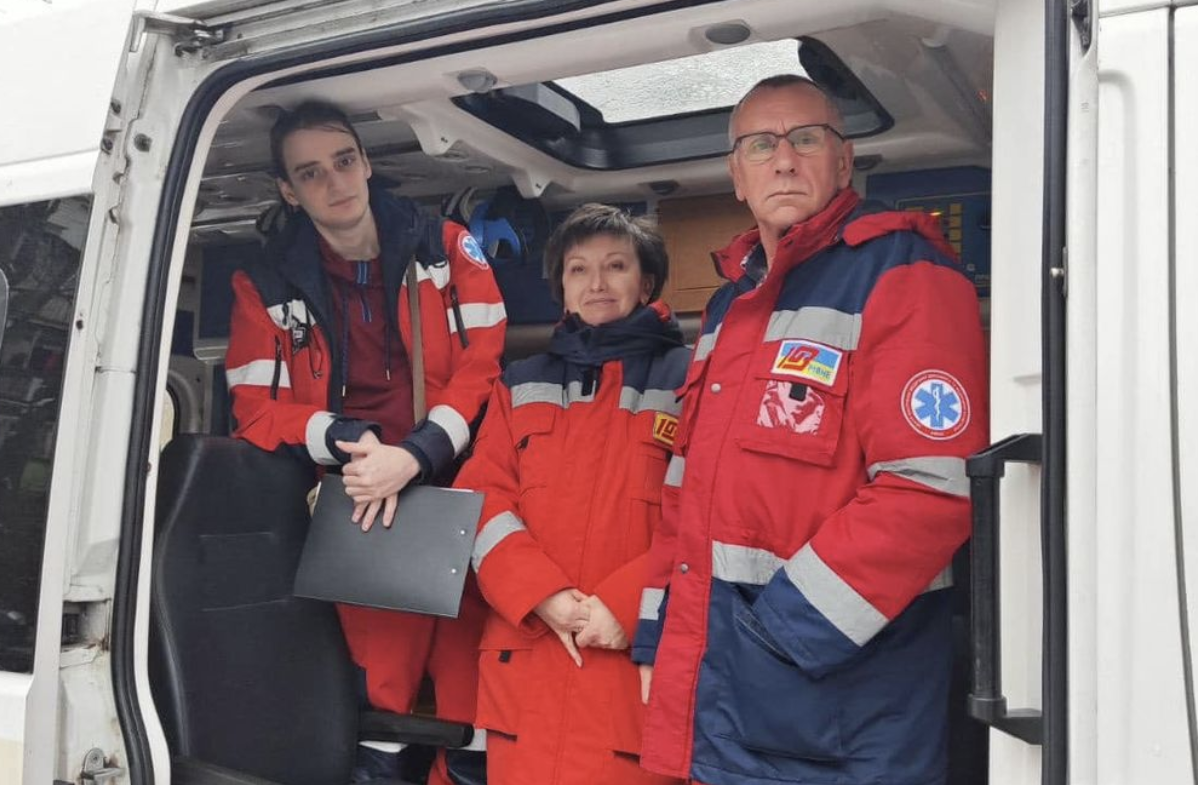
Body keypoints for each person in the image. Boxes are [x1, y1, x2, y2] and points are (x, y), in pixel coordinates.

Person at [633, 75, 989, 785]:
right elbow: (686, 491)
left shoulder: (905, 275)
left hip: (840, 716)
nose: (785, 161)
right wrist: (656, 635)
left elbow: (934, 487)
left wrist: (780, 637)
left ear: (843, 161)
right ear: (737, 176)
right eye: (760, 146)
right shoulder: (730, 306)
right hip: (724, 693)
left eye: (805, 139)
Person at [224, 100, 505, 785]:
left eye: (344, 160)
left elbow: (484, 366)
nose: (335, 182)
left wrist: (417, 453)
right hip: (357, 500)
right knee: (379, 707)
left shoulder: (444, 246)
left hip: (461, 491)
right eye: (311, 173)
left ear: (367, 162)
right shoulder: (263, 284)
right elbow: (254, 410)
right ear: (289, 191)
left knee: (475, 704)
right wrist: (345, 438)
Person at [454, 204, 689, 785]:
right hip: (528, 660)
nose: (597, 283)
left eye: (616, 266)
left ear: (647, 283)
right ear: (561, 288)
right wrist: (543, 595)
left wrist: (625, 606)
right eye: (579, 269)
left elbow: (704, 514)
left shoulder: (691, 379)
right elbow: (480, 499)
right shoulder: (519, 381)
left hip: (630, 661)